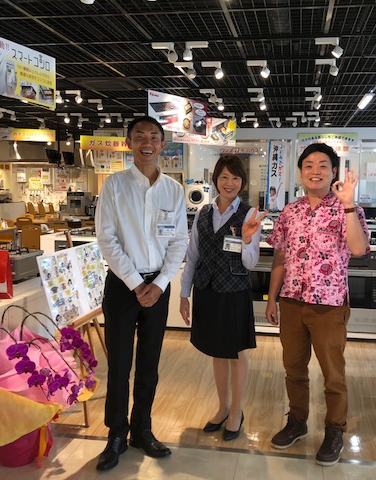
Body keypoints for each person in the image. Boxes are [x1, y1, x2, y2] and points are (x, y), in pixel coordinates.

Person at [265, 143, 369, 467]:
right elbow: (280, 257)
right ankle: (297, 422)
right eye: (309, 165)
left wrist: (348, 204)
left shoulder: (347, 209)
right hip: (292, 301)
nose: (315, 171)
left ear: (333, 171)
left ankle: (335, 430)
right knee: (294, 369)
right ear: (300, 172)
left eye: (323, 165)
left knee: (333, 374)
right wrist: (272, 297)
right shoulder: (290, 212)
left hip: (329, 304)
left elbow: (359, 248)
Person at [95, 116, 189, 471]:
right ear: (129, 143)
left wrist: (160, 283)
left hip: (159, 287)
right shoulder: (114, 185)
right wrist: (137, 283)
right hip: (123, 286)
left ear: (162, 144)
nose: (146, 143)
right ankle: (116, 434)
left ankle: (142, 430)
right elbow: (107, 239)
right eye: (139, 137)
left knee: (149, 364)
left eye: (153, 137)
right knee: (119, 364)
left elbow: (179, 240)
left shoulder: (173, 190)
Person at [179, 155, 267, 441]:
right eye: (224, 177)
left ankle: (236, 412)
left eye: (235, 178)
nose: (229, 183)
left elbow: (251, 263)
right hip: (206, 290)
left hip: (234, 292)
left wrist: (245, 239)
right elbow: (193, 256)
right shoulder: (203, 213)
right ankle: (223, 407)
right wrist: (184, 294)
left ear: (242, 182)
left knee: (236, 352)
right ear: (215, 179)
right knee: (217, 351)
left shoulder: (250, 215)